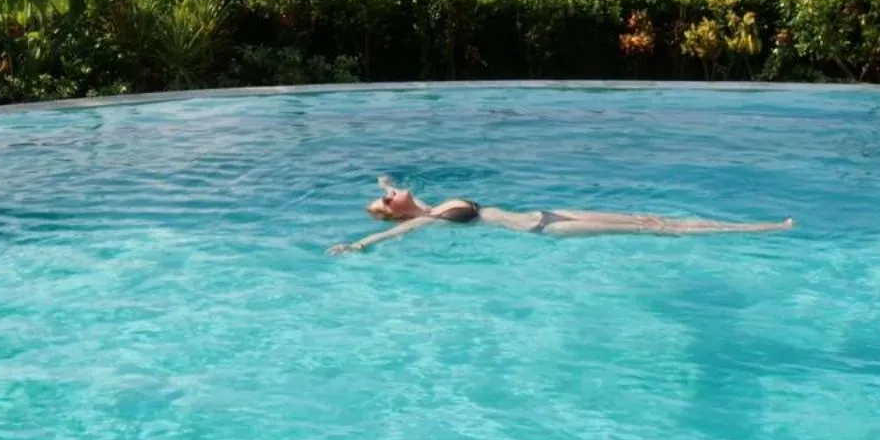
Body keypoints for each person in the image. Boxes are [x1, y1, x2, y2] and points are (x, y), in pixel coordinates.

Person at [327, 178, 794, 255]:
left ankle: (748, 225)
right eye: (387, 199)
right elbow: (401, 231)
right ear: (394, 212)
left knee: (648, 216)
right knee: (656, 232)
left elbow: (389, 187)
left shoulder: (428, 204)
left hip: (548, 211)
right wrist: (359, 245)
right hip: (546, 229)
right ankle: (757, 228)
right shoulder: (427, 219)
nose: (391, 193)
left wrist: (380, 182)